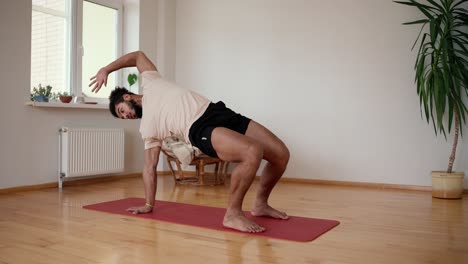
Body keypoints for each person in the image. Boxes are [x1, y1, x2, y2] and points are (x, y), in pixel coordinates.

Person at [89, 51, 290, 233]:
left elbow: (137, 56)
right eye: (122, 117)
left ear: (127, 96)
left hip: (215, 110)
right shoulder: (147, 129)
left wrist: (106, 69)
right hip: (198, 129)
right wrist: (148, 204)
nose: (126, 116)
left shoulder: (151, 80)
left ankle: (260, 204)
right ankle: (232, 214)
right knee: (252, 151)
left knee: (281, 154)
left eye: (122, 111)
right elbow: (149, 168)